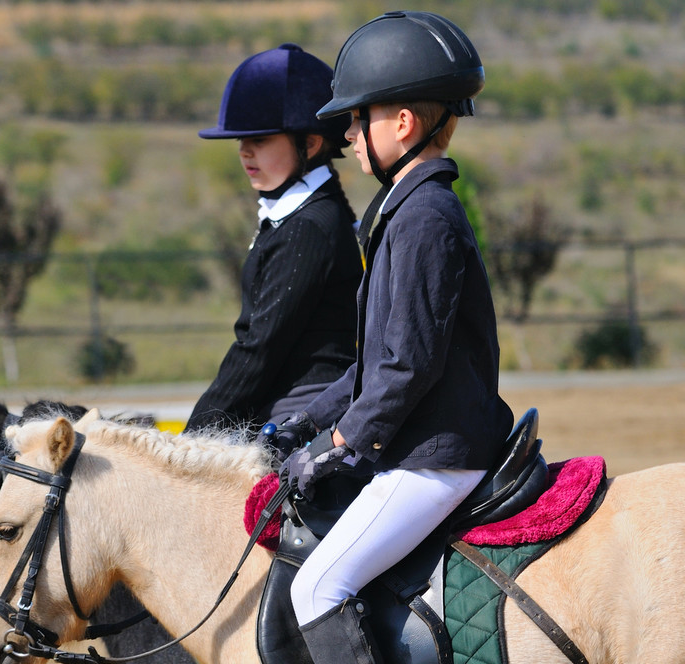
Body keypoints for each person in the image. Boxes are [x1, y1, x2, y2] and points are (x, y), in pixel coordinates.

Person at [273, 12, 516, 663]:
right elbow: (370, 365)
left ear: (402, 124)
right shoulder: (403, 211)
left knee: (319, 589)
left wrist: (343, 444)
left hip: (435, 455)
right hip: (415, 445)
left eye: (358, 120)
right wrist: (300, 426)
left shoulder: (424, 218)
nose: (347, 135)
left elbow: (406, 366)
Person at [183, 44, 363, 437]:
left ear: (311, 144)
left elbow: (259, 347)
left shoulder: (308, 228)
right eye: (241, 141)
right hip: (279, 400)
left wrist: (195, 436)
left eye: (261, 139)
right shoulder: (296, 216)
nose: (245, 151)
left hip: (305, 408)